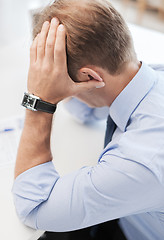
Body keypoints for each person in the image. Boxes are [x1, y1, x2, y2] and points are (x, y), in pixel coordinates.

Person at [12, 0, 164, 239]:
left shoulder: (141, 161)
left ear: (89, 76)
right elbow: (90, 111)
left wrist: (38, 99)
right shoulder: (149, 77)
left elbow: (34, 207)